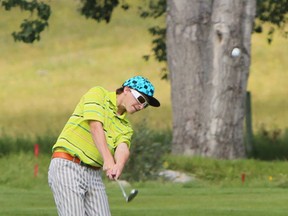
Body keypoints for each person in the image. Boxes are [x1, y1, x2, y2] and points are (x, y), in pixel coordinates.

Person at [48, 76, 160, 216]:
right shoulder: (98, 94)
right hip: (67, 165)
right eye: (141, 99)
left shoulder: (125, 126)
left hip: (94, 174)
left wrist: (118, 165)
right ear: (126, 90)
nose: (141, 106)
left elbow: (122, 147)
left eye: (146, 105)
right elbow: (95, 127)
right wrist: (108, 159)